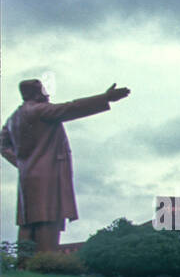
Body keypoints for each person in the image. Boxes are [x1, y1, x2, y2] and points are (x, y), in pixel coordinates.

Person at [1, 79, 130, 253]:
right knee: (49, 217)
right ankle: (45, 263)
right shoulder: (41, 110)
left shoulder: (12, 119)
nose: (47, 94)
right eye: (43, 90)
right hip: (49, 175)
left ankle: (24, 262)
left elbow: (3, 145)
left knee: (28, 221)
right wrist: (105, 98)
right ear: (36, 93)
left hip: (27, 177)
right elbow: (72, 108)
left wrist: (23, 164)